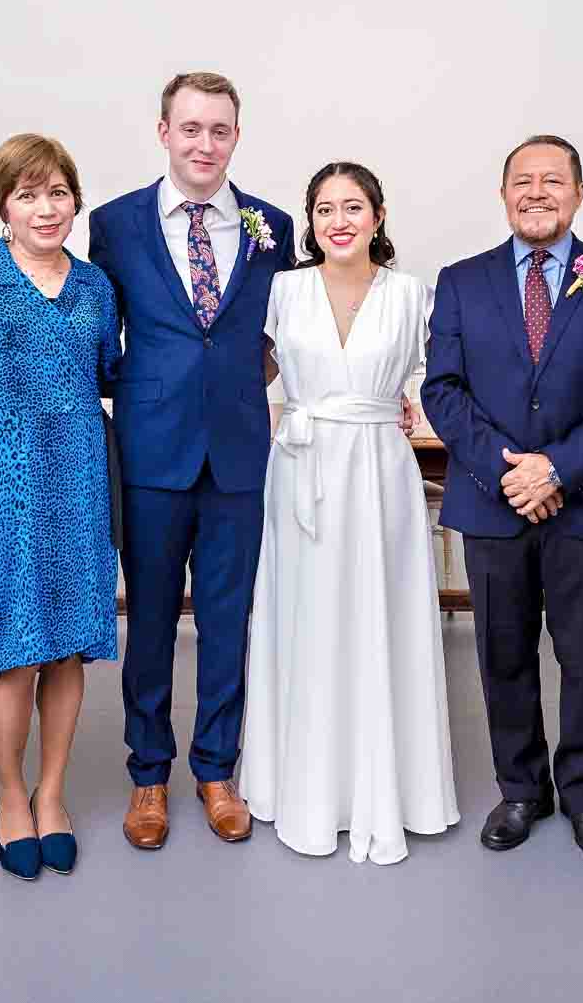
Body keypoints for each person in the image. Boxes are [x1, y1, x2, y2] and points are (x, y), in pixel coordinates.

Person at [421, 135, 583, 863]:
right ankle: (521, 788)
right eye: (522, 181)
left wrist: (555, 469)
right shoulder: (462, 280)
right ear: (503, 195)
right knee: (503, 652)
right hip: (492, 503)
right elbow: (443, 390)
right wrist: (509, 472)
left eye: (552, 180)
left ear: (578, 194)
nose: (536, 192)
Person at [86, 71, 295, 849]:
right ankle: (148, 775)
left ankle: (216, 769)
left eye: (220, 130)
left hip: (240, 454)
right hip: (151, 453)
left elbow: (281, 333)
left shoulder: (272, 226)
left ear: (236, 136)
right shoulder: (114, 224)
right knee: (146, 623)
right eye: (191, 128)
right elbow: (98, 333)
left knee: (226, 621)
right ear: (163, 131)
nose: (204, 143)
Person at [241, 162, 458, 865]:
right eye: (326, 209)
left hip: (379, 472)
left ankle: (390, 790)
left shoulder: (410, 294)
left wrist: (409, 405)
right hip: (301, 466)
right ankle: (303, 786)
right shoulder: (282, 290)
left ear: (379, 214)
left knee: (379, 615)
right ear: (310, 220)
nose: (339, 221)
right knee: (302, 617)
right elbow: (255, 373)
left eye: (353, 207)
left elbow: (437, 379)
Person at [0, 134, 120, 881]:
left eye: (58, 192)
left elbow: (110, 375)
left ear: (76, 199)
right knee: (15, 656)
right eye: (28, 193)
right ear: (2, 204)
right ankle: (10, 799)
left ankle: (52, 794)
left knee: (68, 648)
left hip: (78, 486)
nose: (46, 208)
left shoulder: (97, 287)